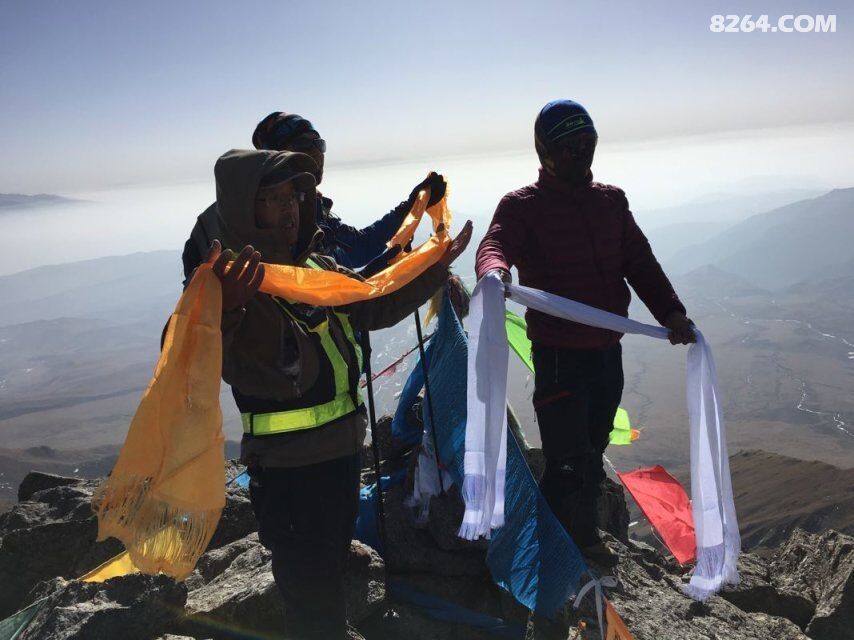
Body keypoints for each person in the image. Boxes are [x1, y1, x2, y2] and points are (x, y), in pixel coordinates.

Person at [205, 147, 472, 639]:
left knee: (325, 588)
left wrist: (434, 267)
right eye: (272, 198)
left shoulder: (314, 264)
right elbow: (188, 355)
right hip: (289, 477)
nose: (288, 209)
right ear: (246, 208)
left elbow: (371, 306)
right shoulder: (227, 283)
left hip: (339, 462)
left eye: (293, 196)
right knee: (313, 606)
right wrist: (225, 314)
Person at [475, 99, 695, 566]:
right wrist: (494, 272)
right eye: (569, 146)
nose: (580, 154)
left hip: (605, 354)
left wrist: (672, 314)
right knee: (566, 460)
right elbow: (494, 244)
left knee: (592, 452)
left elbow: (640, 262)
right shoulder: (522, 206)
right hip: (558, 356)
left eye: (586, 143)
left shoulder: (610, 201)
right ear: (545, 151)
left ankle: (575, 536)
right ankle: (554, 553)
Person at [181, 111, 446, 284]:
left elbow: (358, 245)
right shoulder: (254, 222)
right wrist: (360, 282)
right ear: (274, 157)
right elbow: (287, 296)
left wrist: (413, 205)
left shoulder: (311, 208)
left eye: (319, 144)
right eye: (303, 146)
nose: (316, 154)